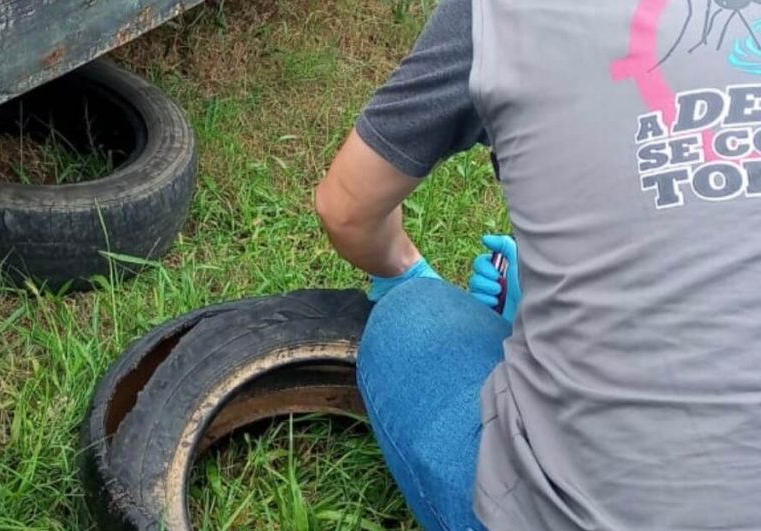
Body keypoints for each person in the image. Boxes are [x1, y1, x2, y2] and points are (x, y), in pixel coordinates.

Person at [315, 0, 761, 529]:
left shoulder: (497, 14)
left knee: (416, 316)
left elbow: (345, 208)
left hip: (583, 515)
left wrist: (407, 273)